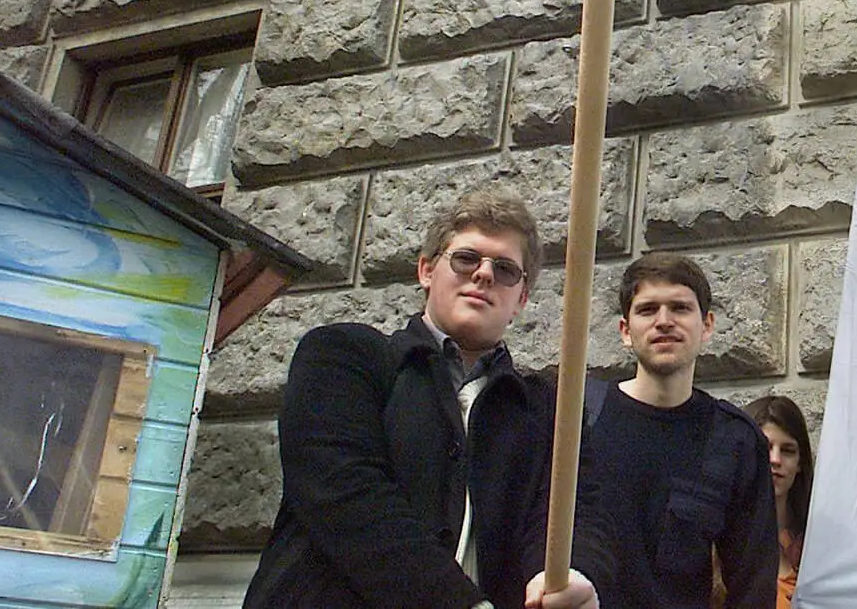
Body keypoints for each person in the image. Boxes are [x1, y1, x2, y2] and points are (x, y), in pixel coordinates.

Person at [243, 188, 608, 609]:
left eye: (506, 269)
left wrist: (572, 574)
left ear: (520, 300)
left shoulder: (549, 410)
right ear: (426, 271)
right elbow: (346, 496)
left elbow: (577, 512)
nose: (484, 275)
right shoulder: (344, 357)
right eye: (466, 259)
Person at [584, 253, 779, 609]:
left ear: (706, 326)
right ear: (626, 331)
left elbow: (753, 586)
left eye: (679, 308)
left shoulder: (735, 441)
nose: (664, 322)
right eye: (647, 310)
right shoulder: (578, 419)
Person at [742, 396, 814, 609]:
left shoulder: (819, 543)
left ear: (800, 463)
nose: (775, 459)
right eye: (765, 447)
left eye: (788, 450)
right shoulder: (718, 542)